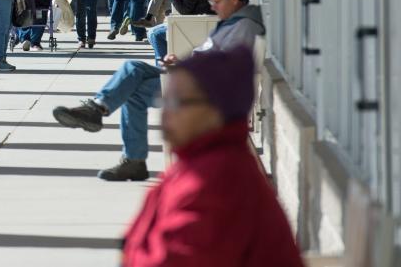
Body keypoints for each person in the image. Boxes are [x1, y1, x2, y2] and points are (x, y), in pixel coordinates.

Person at [51, 0, 264, 181]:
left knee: (131, 87)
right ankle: (100, 112)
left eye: (217, 1)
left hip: (203, 90)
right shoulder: (234, 22)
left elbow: (226, 66)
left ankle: (113, 131)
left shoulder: (243, 26)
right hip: (194, 79)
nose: (213, 7)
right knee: (132, 69)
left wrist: (185, 65)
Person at [122, 49, 304, 267]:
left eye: (176, 103)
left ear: (216, 111)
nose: (165, 113)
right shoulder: (199, 164)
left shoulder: (216, 182)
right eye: (164, 100)